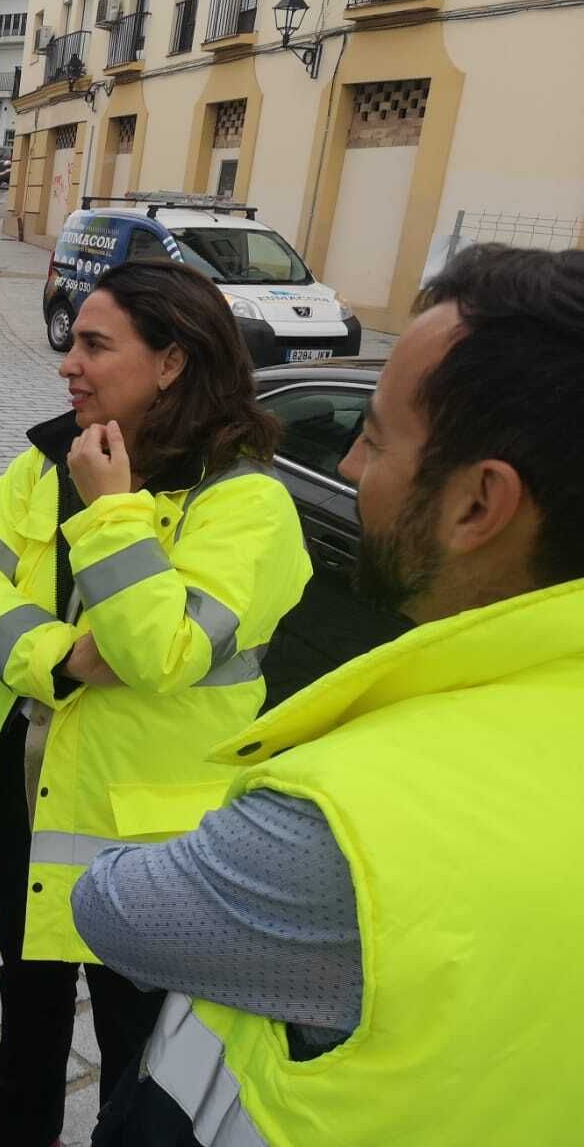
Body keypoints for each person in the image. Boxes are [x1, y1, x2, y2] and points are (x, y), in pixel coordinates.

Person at [74, 245, 584, 1146]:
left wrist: (110, 518)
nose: (347, 466)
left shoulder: (344, 820)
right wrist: (50, 657)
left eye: (377, 438)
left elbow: (113, 904)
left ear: (479, 506)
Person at [0, 260, 311, 1147]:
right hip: (28, 803)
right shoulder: (45, 460)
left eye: (96, 345)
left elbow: (157, 650)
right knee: (25, 1023)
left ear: (172, 362)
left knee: (138, 1050)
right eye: (72, 341)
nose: (68, 361)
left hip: (154, 838)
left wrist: (112, 509)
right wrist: (59, 658)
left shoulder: (247, 503)